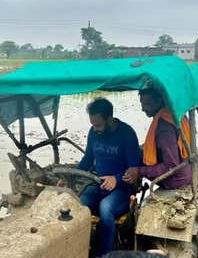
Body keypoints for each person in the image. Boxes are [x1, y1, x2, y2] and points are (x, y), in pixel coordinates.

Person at [58, 97, 141, 256]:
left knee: (105, 208)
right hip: (98, 184)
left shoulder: (127, 134)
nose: (95, 128)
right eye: (93, 125)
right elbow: (87, 160)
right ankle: (79, 248)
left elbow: (134, 170)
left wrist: (116, 179)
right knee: (79, 204)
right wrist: (68, 177)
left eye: (98, 125)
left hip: (122, 190)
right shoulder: (93, 133)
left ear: (109, 119)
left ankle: (104, 253)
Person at [122, 88, 192, 190]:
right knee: (135, 151)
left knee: (130, 158)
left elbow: (171, 165)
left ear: (159, 101)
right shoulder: (172, 113)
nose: (143, 108)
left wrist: (139, 171)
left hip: (176, 180)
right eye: (142, 104)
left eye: (147, 104)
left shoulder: (164, 127)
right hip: (184, 172)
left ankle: (127, 188)